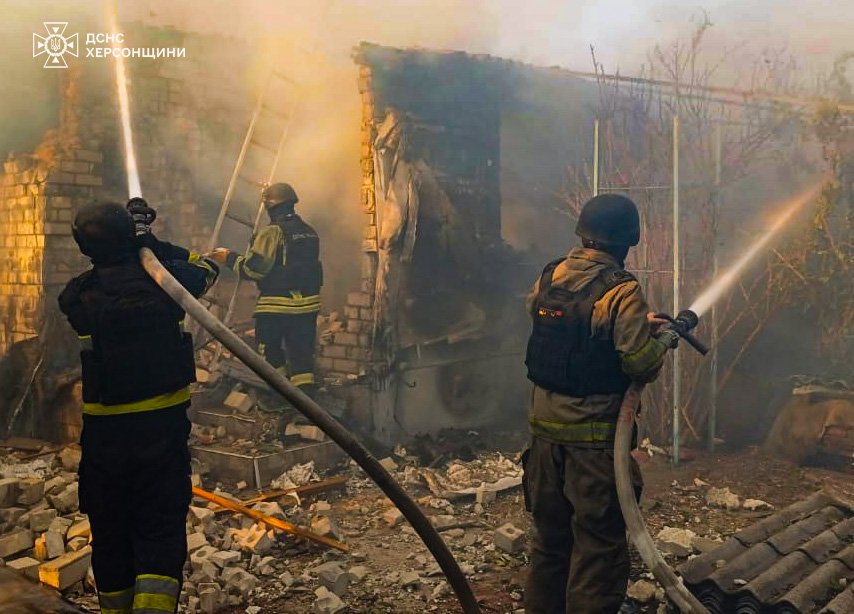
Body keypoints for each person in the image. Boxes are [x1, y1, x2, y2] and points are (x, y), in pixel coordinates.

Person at [58, 200, 218, 614]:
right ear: (129, 237)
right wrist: (151, 241)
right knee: (159, 528)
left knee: (110, 533)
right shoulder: (169, 284)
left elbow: (105, 274)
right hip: (160, 432)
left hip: (104, 439)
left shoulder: (76, 296)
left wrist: (133, 242)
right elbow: (205, 268)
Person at [523, 194, 669, 614]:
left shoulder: (550, 275)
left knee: (550, 544)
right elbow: (639, 363)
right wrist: (660, 340)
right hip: (593, 445)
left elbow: (566, 331)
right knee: (598, 549)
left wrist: (631, 326)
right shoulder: (622, 289)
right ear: (627, 241)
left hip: (542, 440)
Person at [209, 182, 322, 394]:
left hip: (277, 306)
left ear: (270, 207)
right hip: (308, 308)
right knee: (301, 356)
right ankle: (304, 402)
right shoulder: (310, 232)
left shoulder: (272, 233)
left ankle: (279, 394)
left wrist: (228, 257)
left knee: (269, 349)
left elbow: (253, 270)